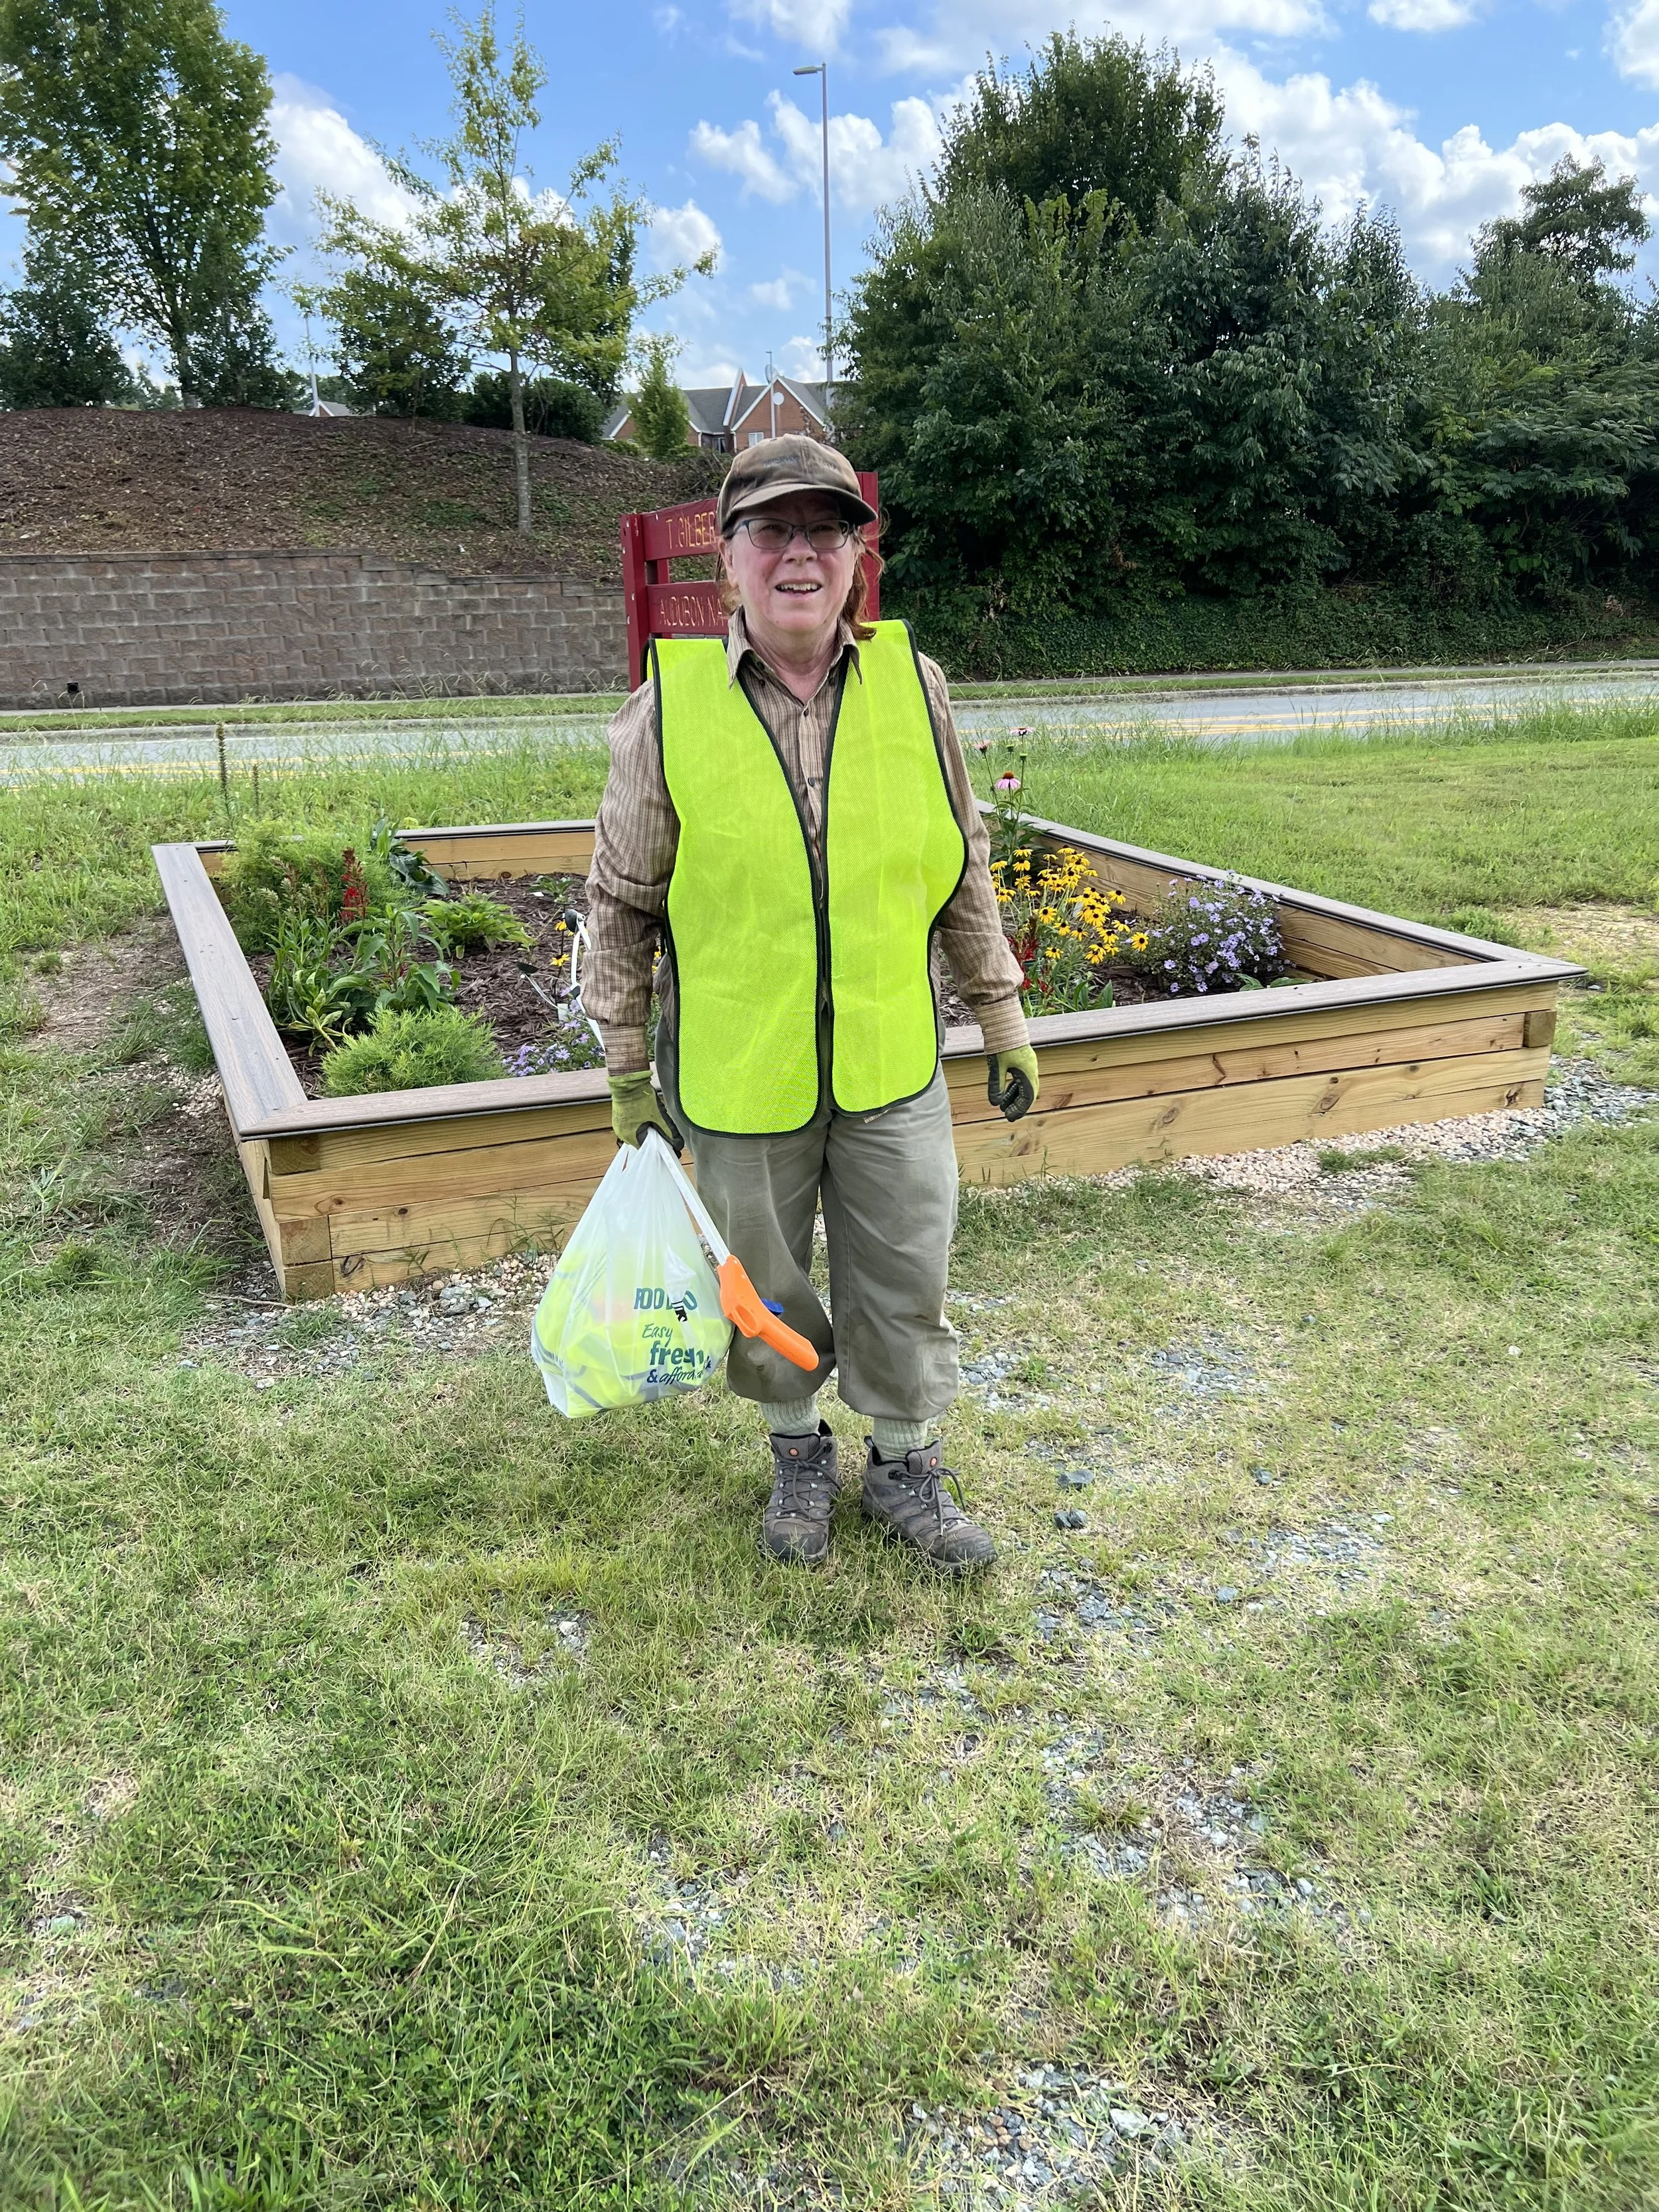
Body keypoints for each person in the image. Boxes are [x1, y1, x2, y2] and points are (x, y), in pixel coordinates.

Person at [585, 435, 1040, 1574]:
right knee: (765, 1280)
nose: (801, 554)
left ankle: (902, 1464)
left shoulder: (912, 684)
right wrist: (626, 1067)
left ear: (855, 557)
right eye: (774, 531)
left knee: (904, 1266)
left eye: (826, 531)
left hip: (892, 1055)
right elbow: (623, 898)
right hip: (742, 1067)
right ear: (730, 557)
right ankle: (797, 1457)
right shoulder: (667, 706)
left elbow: (961, 862)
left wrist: (1002, 1013)